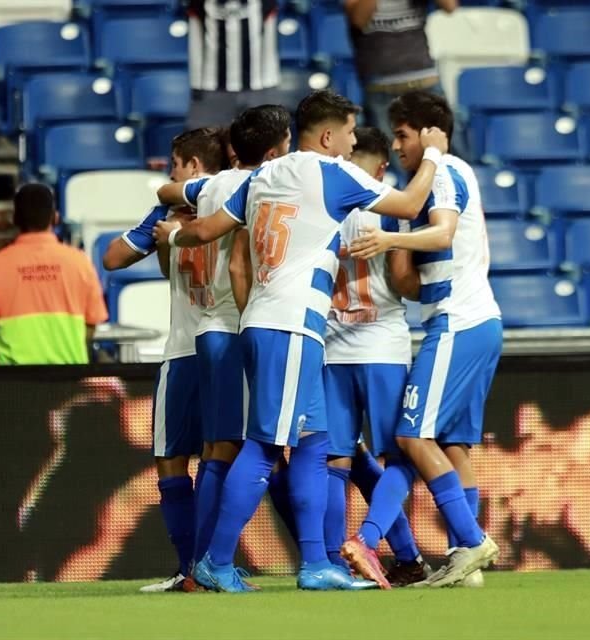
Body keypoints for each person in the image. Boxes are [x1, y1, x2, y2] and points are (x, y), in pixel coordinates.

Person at [152, 89, 449, 592]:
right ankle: (215, 562)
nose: (354, 142)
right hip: (291, 323)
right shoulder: (331, 172)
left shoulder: (265, 176)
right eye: (350, 133)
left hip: (276, 321)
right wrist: (436, 153)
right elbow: (412, 202)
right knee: (267, 447)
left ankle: (317, 563)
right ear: (328, 135)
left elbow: (205, 230)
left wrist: (172, 237)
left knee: (313, 444)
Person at [340, 90, 501, 589]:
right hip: (464, 318)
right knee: (452, 445)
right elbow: (412, 283)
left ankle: (472, 541)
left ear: (430, 134)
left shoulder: (445, 171)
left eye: (404, 134)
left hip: (459, 320)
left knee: (411, 436)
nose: (396, 144)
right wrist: (396, 251)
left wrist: (392, 238)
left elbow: (444, 234)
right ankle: (464, 559)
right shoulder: (421, 187)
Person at [155, 105, 293, 586]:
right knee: (230, 449)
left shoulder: (211, 186)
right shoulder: (267, 187)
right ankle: (213, 563)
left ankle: (197, 567)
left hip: (205, 329)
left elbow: (168, 191)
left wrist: (172, 224)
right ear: (275, 151)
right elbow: (241, 266)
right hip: (237, 327)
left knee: (218, 447)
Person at [102, 127, 226, 592]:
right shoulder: (241, 198)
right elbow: (115, 259)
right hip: (231, 348)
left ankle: (193, 569)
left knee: (174, 459)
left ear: (193, 166)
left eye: (175, 163)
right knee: (226, 458)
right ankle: (213, 567)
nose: (168, 173)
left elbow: (113, 258)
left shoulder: (172, 210)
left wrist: (161, 234)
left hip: (188, 349)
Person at [322, 126, 430, 586]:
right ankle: (368, 541)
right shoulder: (391, 207)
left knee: (333, 462)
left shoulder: (324, 204)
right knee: (401, 456)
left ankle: (333, 564)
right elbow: (405, 283)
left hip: (331, 345)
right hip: (383, 344)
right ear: (381, 166)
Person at [0, 183, 107, 365]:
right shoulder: (80, 263)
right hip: (69, 380)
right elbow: (92, 323)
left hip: (10, 384)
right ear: (55, 217)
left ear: (14, 218)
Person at [344, 0, 459, 174]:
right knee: (394, 167)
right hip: (382, 91)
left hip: (425, 83)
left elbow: (450, 6)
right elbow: (359, 19)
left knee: (448, 161)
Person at [185, 0, 282, 129]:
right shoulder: (200, 4)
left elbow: (271, 39)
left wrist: (271, 85)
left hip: (260, 87)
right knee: (204, 144)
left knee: (267, 143)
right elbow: (195, 40)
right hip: (211, 89)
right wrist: (196, 85)